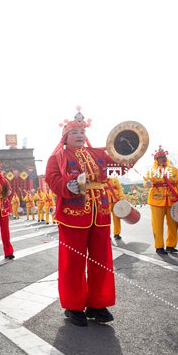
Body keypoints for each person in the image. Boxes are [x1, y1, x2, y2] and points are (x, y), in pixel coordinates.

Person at [45, 107, 130, 326]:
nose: (80, 135)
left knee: (101, 260)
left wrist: (130, 150)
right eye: (74, 133)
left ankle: (97, 304)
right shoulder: (57, 157)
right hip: (73, 214)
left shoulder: (98, 154)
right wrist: (69, 185)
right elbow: (53, 181)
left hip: (99, 212)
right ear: (65, 136)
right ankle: (73, 307)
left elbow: (117, 168)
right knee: (73, 261)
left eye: (82, 132)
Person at [144, 146, 178, 255]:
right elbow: (146, 181)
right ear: (156, 159)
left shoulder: (174, 170)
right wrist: (147, 184)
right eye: (160, 157)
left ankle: (171, 246)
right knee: (157, 225)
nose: (163, 158)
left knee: (173, 224)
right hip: (156, 200)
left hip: (173, 201)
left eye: (164, 156)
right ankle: (159, 246)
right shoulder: (152, 171)